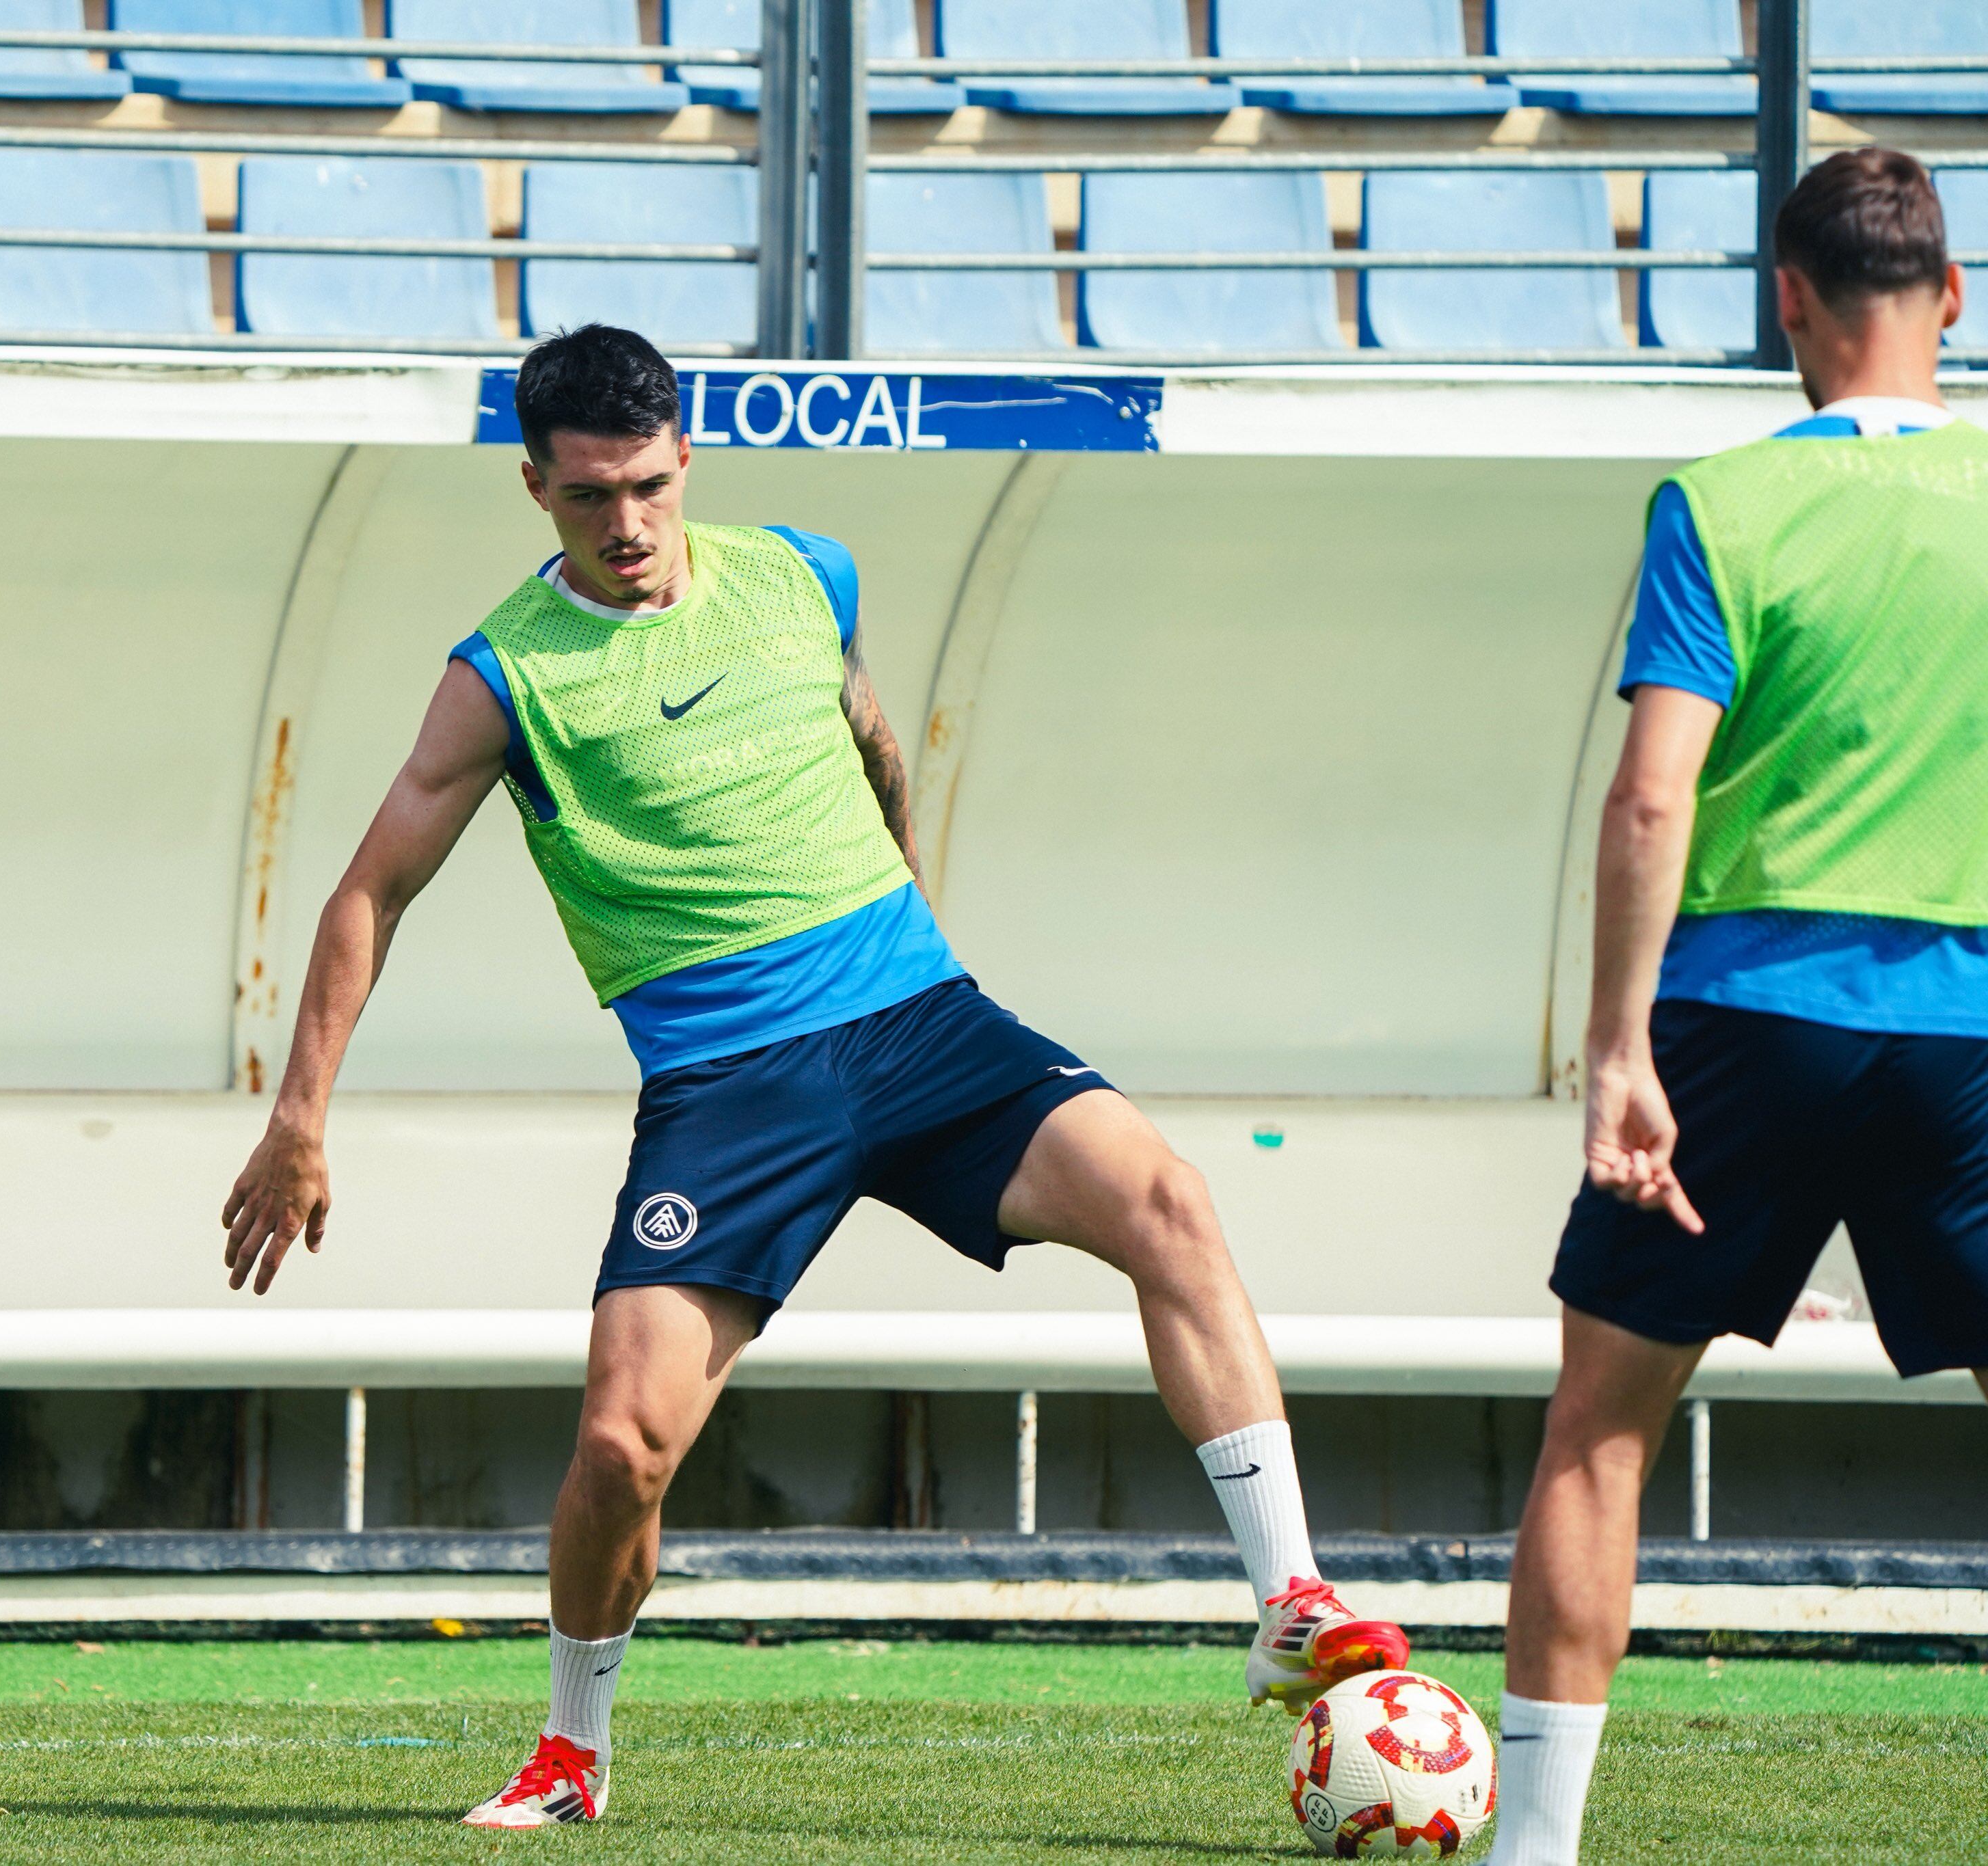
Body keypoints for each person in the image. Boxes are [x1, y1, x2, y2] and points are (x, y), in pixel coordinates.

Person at [218, 323, 1408, 1830]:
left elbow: (859, 728)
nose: (627, 526)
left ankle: (1290, 1602)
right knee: (618, 1445)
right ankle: (573, 1750)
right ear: (533, 488)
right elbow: (366, 891)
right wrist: (299, 1122)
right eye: (588, 498)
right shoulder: (499, 678)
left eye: (646, 486)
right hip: (728, 1088)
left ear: (684, 462)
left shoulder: (799, 570)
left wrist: (909, 905)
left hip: (917, 1024)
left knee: (1167, 1200)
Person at [1495, 148, 1987, 1866]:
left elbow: (1650, 800)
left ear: (1785, 299)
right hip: (1966, 1031)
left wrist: (1617, 1050)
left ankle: (1536, 1845)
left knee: (1598, 1435)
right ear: (1947, 298)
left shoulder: (1713, 500)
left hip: (1734, 1023)